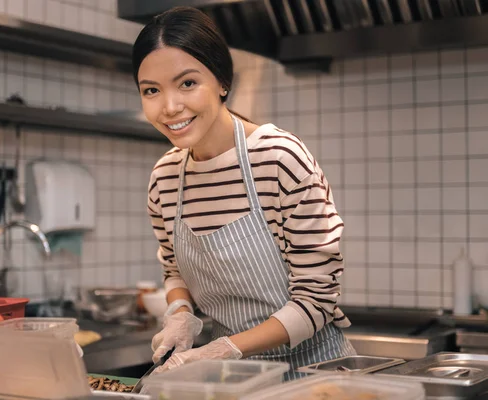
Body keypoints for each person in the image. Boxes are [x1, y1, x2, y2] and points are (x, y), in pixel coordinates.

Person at [133, 6, 356, 380]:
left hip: (314, 377)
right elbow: (174, 271)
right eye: (151, 91)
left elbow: (316, 301)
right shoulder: (165, 178)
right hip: (232, 382)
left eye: (187, 83)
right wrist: (181, 314)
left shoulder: (279, 158)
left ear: (222, 81)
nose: (170, 107)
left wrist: (227, 346)